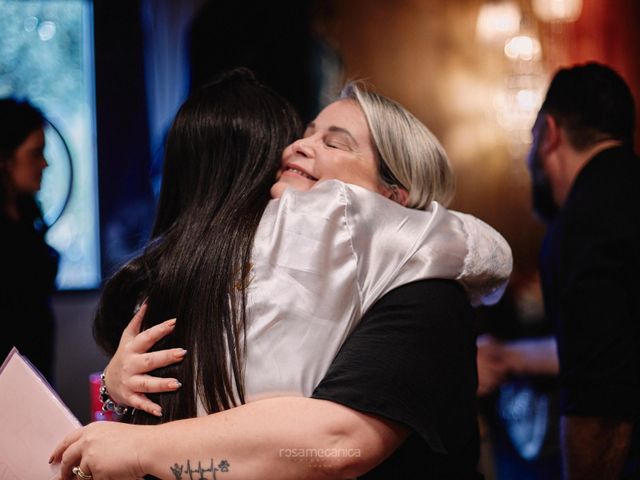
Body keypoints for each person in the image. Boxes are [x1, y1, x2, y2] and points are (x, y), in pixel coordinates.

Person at [52, 69, 511, 478]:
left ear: (393, 198)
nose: (299, 146)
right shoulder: (270, 272)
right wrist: (117, 390)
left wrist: (141, 450)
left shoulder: (425, 293)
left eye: (333, 142)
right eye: (306, 133)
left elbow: (336, 443)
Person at [527, 62, 640, 480]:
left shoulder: (582, 223)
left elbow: (601, 403)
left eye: (533, 138)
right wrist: (509, 357)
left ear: (550, 134)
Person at [0, 97, 59, 384]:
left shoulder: (27, 215)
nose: (45, 163)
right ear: (5, 158)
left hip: (36, 364)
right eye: (35, 154)